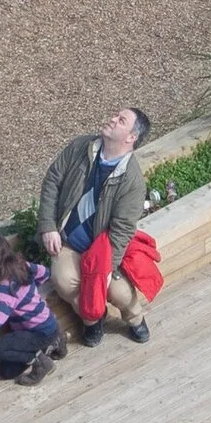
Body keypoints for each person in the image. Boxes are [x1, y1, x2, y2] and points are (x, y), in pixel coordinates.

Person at [38, 106, 155, 347]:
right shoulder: (81, 147)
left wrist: (107, 268)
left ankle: (135, 319)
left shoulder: (132, 181)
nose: (112, 119)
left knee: (119, 292)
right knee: (64, 280)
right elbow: (52, 181)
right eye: (115, 115)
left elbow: (122, 230)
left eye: (120, 120)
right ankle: (92, 321)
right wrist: (48, 226)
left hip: (102, 248)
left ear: (131, 137)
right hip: (70, 241)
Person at [0, 229, 64, 384]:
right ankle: (56, 341)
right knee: (7, 372)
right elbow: (45, 273)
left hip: (37, 333)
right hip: (47, 325)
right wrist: (31, 295)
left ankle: (41, 362)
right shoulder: (22, 265)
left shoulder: (4, 289)